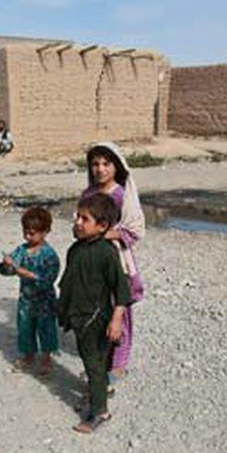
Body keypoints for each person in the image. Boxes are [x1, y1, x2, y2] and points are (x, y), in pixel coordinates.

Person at [58, 194, 132, 434]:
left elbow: (121, 289)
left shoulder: (107, 252)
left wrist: (117, 320)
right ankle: (99, 387)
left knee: (94, 363)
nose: (78, 222)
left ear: (102, 226)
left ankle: (100, 410)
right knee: (93, 361)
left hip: (96, 320)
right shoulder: (75, 250)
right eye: (77, 217)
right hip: (79, 318)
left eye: (85, 219)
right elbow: (68, 283)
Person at [80, 142, 145, 387]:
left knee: (120, 309)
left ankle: (118, 364)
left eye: (106, 164)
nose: (100, 169)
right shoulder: (88, 194)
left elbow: (134, 228)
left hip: (116, 260)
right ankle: (100, 361)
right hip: (92, 258)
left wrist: (105, 235)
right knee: (99, 309)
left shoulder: (121, 195)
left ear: (116, 167)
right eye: (95, 164)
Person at [0, 207, 60, 377]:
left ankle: (47, 357)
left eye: (32, 233)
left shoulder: (49, 255)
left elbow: (49, 279)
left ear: (45, 232)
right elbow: (8, 270)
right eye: (25, 232)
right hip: (26, 299)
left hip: (45, 300)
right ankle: (29, 355)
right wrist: (7, 265)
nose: (27, 236)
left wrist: (28, 274)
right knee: (25, 327)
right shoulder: (21, 250)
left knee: (46, 328)